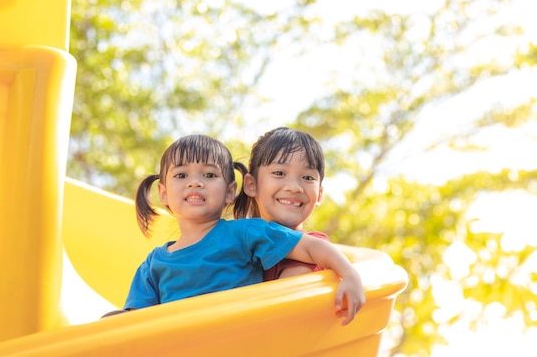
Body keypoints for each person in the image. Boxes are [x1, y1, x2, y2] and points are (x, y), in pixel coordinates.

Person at [115, 134, 364, 325]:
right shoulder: (152, 265)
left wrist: (350, 275)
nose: (195, 182)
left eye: (210, 175)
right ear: (164, 193)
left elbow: (310, 246)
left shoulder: (244, 233)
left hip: (239, 344)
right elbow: (135, 325)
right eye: (181, 175)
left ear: (231, 191)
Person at [234, 127, 329, 280]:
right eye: (279, 173)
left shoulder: (313, 252)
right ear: (251, 184)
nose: (294, 187)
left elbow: (288, 298)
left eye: (308, 178)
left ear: (319, 195)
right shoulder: (239, 246)